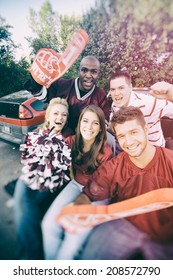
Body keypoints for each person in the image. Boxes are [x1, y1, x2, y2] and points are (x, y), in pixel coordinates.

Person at [71, 106, 173, 260]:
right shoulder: (115, 166)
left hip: (166, 235)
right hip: (126, 224)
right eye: (122, 135)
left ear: (146, 129)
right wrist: (79, 206)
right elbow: (91, 191)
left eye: (133, 132)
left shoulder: (170, 161)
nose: (129, 141)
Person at [41, 105, 113, 260]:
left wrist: (79, 206)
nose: (89, 127)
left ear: (101, 128)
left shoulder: (105, 152)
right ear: (79, 123)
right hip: (76, 184)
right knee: (48, 225)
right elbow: (51, 151)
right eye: (85, 121)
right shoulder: (71, 141)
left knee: (72, 240)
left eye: (95, 123)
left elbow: (102, 184)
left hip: (98, 193)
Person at [14, 97, 73, 260]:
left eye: (64, 115)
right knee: (22, 203)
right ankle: (28, 256)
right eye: (56, 113)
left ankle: (28, 258)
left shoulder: (68, 138)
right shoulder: (36, 132)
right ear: (48, 116)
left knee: (26, 208)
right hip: (29, 177)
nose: (59, 118)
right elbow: (25, 158)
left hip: (51, 181)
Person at [25, 55, 111, 133]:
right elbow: (41, 94)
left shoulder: (100, 95)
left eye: (94, 72)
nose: (88, 75)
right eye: (84, 70)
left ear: (98, 74)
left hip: (85, 141)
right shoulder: (62, 85)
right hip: (60, 138)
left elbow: (103, 125)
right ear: (79, 71)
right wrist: (36, 76)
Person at [108, 71, 173, 147]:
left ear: (130, 88)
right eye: (113, 89)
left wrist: (171, 93)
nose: (116, 93)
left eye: (121, 88)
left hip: (154, 151)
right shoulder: (115, 105)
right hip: (128, 150)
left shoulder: (149, 102)